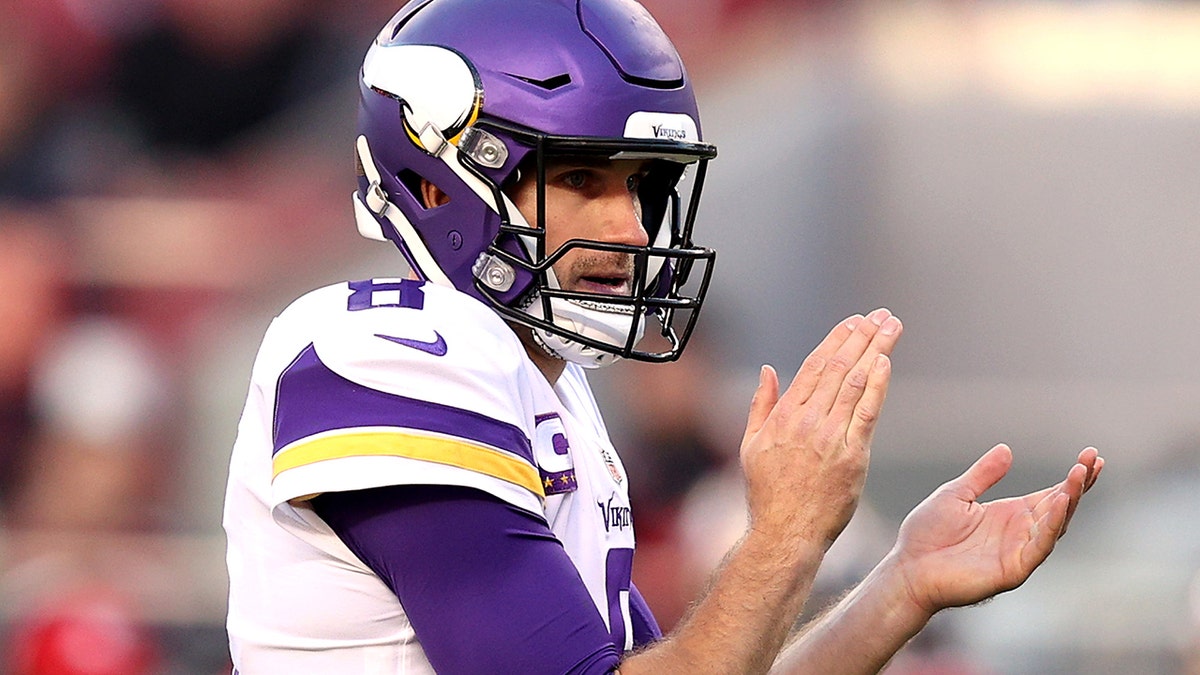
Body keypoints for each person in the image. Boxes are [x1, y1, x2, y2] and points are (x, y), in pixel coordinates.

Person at [222, 0, 1104, 672]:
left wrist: (898, 587)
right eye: (580, 178)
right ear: (445, 180)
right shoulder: (381, 353)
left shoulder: (545, 382)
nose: (634, 230)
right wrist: (786, 532)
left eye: (641, 186)